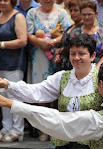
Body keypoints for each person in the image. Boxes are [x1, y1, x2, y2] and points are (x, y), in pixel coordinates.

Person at [26, 0, 70, 141]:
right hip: (38, 55)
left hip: (57, 54)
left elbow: (69, 32)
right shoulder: (32, 12)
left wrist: (53, 42)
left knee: (57, 90)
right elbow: (28, 34)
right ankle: (43, 128)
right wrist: (41, 42)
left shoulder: (62, 13)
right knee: (42, 89)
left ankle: (55, 128)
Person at [0, 0, 27, 142]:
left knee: (15, 97)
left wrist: (1, 45)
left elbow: (23, 41)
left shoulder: (18, 16)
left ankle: (18, 130)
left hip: (13, 65)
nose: (2, 2)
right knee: (3, 99)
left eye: (6, 0)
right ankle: (6, 127)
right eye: (0, 0)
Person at [70, 1, 103, 67]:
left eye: (89, 14)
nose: (87, 17)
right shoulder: (75, 33)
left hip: (100, 66)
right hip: (80, 66)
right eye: (84, 14)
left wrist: (98, 66)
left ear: (96, 14)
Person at [54, 0, 83, 71]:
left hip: (73, 65)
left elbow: (76, 46)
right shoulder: (70, 27)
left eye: (76, 10)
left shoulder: (82, 28)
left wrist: (60, 51)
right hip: (62, 64)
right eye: (71, 10)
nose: (73, 13)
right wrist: (58, 54)